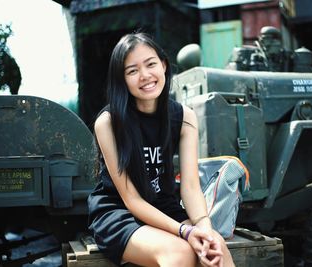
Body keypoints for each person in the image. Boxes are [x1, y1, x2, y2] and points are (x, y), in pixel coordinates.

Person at [87, 32, 235, 267]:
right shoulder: (108, 123)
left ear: (164, 65)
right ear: (122, 79)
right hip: (119, 212)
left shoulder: (184, 117)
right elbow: (132, 199)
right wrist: (185, 232)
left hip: (164, 207)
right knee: (180, 254)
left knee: (216, 249)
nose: (145, 76)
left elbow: (190, 187)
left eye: (151, 64)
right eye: (132, 70)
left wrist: (205, 230)